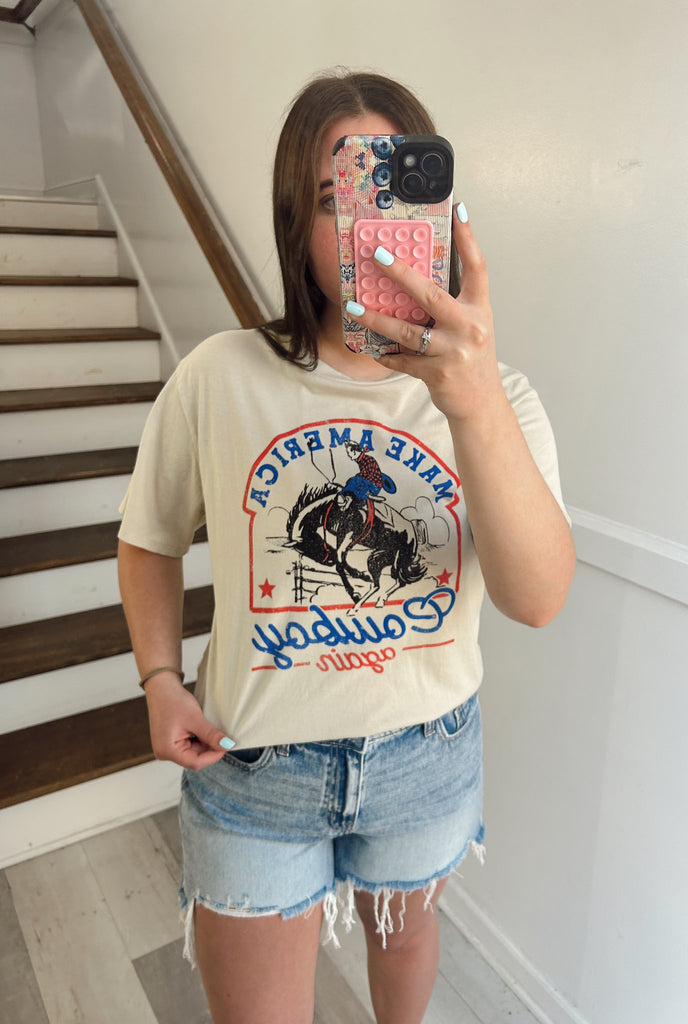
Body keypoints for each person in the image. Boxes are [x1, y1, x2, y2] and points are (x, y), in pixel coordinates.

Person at [117, 68, 575, 1024]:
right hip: (253, 769)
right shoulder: (218, 376)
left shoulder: (501, 399)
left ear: (441, 216)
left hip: (426, 754)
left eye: (400, 193)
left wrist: (472, 399)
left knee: (404, 942)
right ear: (297, 223)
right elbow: (150, 537)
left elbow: (536, 599)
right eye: (338, 199)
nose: (373, 228)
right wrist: (159, 676)